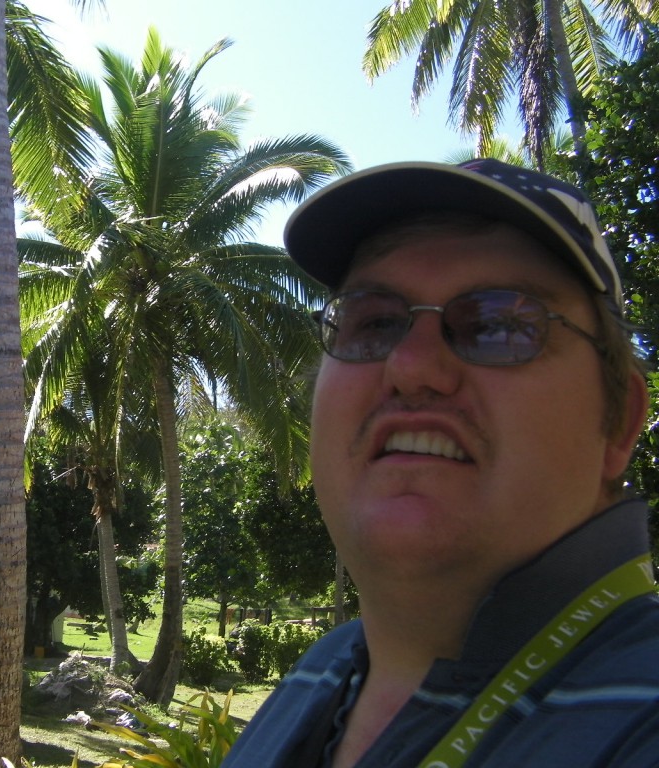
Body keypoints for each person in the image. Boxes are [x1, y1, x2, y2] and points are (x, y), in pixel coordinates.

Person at [222, 159, 659, 768]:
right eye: (374, 323)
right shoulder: (320, 669)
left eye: (500, 324)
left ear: (619, 421)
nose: (412, 366)